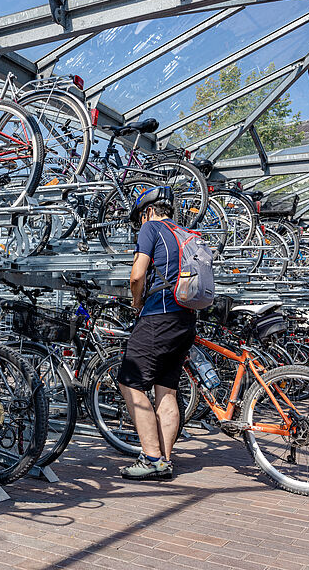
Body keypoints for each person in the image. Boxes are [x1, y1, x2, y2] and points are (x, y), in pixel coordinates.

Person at [116, 186, 197, 481]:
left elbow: (138, 274)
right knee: (167, 391)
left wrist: (137, 302)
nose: (140, 222)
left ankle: (151, 458)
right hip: (185, 319)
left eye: (140, 216)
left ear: (148, 211)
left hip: (158, 317)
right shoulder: (183, 233)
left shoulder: (151, 228)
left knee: (130, 383)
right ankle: (165, 459)